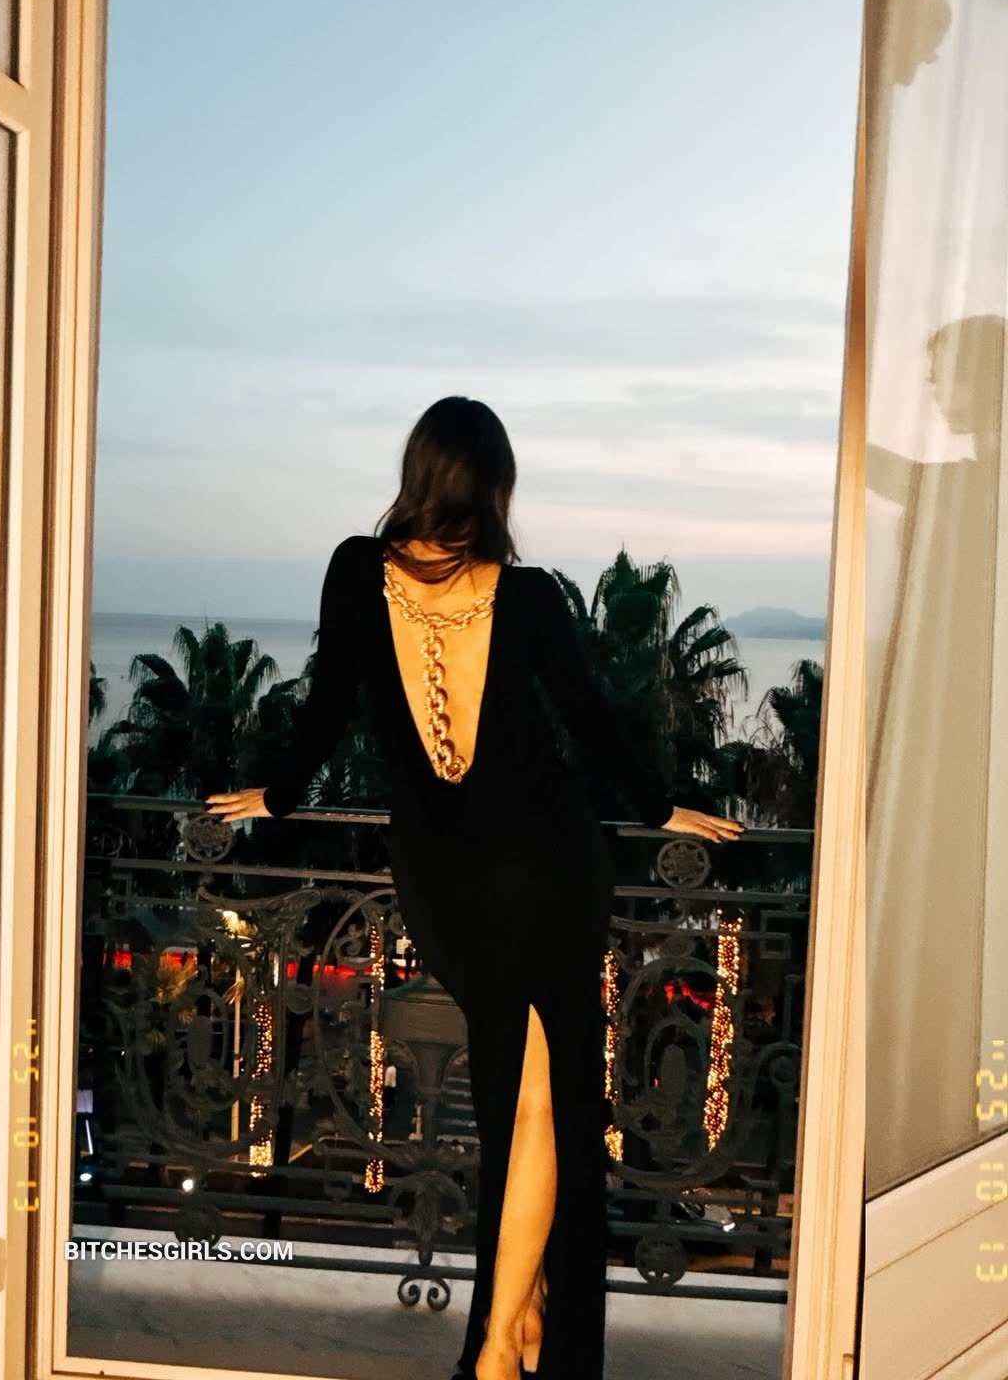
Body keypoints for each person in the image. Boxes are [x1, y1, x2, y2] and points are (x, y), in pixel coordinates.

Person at [206, 396, 744, 1380]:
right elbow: (589, 720)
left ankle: (515, 1318)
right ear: (495, 486)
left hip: (444, 880)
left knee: (519, 1094)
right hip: (548, 868)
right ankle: (503, 1345)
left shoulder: (354, 572)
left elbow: (328, 701)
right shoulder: (528, 595)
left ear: (417, 473)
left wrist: (275, 796)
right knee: (542, 1105)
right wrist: (659, 806)